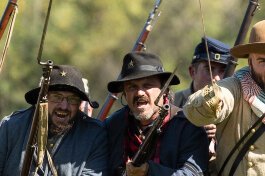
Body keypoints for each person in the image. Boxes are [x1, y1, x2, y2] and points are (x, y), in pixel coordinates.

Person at [104, 51, 209, 176]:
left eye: (147, 85)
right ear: (125, 94)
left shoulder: (188, 126)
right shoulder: (112, 126)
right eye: (132, 87)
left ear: (164, 90)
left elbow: (193, 174)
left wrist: (149, 171)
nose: (139, 93)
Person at [183, 20, 265, 175]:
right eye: (263, 61)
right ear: (250, 61)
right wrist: (212, 99)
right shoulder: (235, 86)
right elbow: (214, 100)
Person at [0, 65, 108, 176]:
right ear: (43, 98)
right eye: (57, 97)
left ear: (80, 103)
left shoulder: (94, 136)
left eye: (72, 99)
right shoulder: (10, 127)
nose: (64, 106)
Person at [174, 36, 231, 175]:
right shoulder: (172, 103)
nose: (216, 78)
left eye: (222, 70)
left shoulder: (233, 104)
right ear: (192, 72)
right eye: (209, 69)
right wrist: (194, 130)